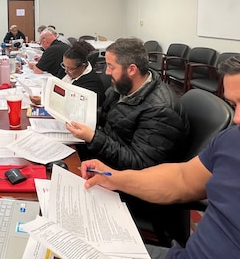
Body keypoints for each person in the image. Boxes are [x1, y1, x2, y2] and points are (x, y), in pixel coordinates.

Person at [81, 48, 240, 259]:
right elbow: (182, 178)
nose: (239, 119)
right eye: (236, 105)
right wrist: (113, 178)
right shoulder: (237, 139)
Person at [66, 37, 189, 171]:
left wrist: (93, 138)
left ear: (131, 70)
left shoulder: (161, 111)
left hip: (120, 172)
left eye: (111, 67)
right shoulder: (124, 85)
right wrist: (79, 113)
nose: (106, 72)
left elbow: (140, 164)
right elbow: (110, 115)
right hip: (105, 150)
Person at [30, 40, 105, 106]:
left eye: (70, 68)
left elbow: (73, 105)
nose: (66, 71)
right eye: (64, 65)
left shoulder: (91, 84)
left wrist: (44, 101)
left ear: (83, 66)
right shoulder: (69, 70)